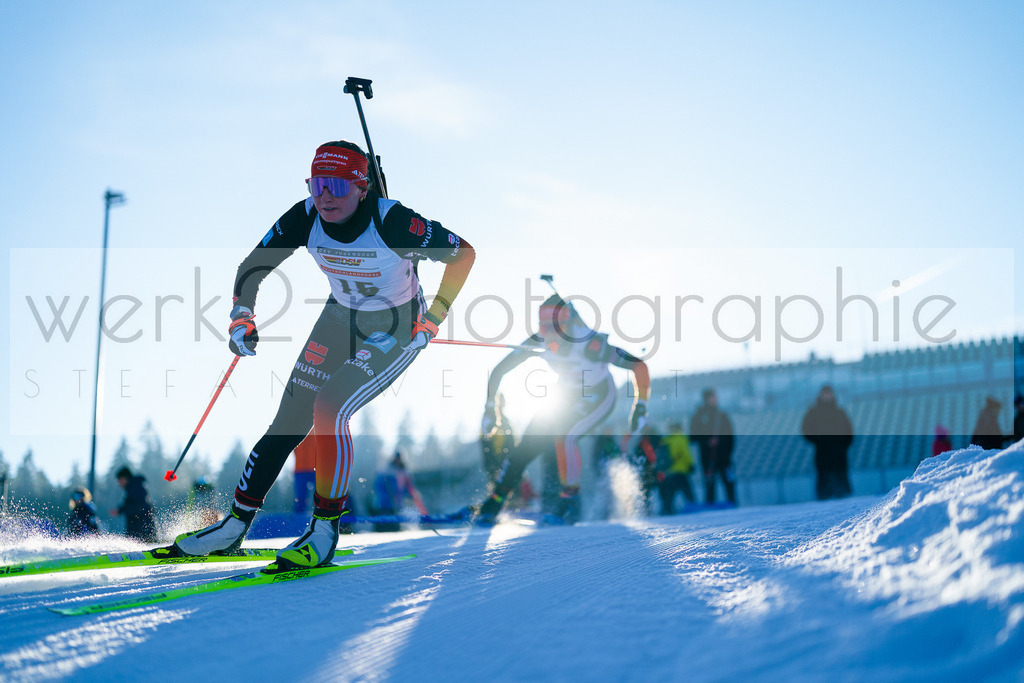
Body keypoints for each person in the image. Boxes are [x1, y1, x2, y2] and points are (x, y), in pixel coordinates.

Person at [172, 140, 475, 569]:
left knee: (330, 407)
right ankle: (235, 526)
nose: (324, 196)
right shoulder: (306, 215)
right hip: (339, 320)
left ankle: (325, 529)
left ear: (362, 186)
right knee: (289, 419)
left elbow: (463, 253)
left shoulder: (394, 221)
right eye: (316, 184)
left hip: (397, 325)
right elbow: (254, 265)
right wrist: (242, 316)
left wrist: (437, 314)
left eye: (335, 184)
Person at [467, 293, 651, 525]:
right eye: (544, 329)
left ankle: (569, 501)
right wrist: (490, 408)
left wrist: (640, 407)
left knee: (565, 435)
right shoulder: (538, 340)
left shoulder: (591, 345)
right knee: (527, 446)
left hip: (598, 395)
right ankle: (494, 502)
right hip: (565, 394)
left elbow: (639, 366)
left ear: (568, 326)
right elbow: (499, 370)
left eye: (555, 330)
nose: (550, 337)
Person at [800, 385, 854, 500]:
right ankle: (824, 497)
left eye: (829, 393)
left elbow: (849, 430)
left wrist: (843, 444)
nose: (827, 396)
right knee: (824, 477)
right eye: (825, 393)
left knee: (841, 477)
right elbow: (805, 429)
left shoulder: (840, 412)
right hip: (822, 451)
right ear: (820, 395)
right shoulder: (813, 412)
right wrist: (818, 441)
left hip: (839, 451)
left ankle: (844, 495)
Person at [690, 388, 737, 505]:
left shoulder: (722, 415)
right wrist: (707, 441)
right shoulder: (698, 416)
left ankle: (733, 504)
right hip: (708, 457)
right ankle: (710, 508)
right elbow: (692, 437)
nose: (715, 399)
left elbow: (730, 436)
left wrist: (728, 453)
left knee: (728, 482)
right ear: (706, 399)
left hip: (724, 457)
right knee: (709, 484)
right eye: (712, 397)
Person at [371, 450, 428, 532]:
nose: (398, 460)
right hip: (384, 505)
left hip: (397, 505)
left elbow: (407, 488)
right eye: (397, 458)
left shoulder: (404, 472)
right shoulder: (386, 472)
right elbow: (379, 487)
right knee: (383, 527)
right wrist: (388, 496)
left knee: (395, 528)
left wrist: (412, 495)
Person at [657, 421, 696, 514]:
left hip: (669, 471)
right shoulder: (681, 438)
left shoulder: (667, 440)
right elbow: (686, 453)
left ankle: (666, 510)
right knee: (688, 492)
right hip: (681, 470)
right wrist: (690, 464)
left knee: (670, 494)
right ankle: (694, 508)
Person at [111, 466, 158, 542]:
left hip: (142, 530)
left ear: (124, 478)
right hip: (140, 530)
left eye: (119, 480)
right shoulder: (133, 488)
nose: (119, 484)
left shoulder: (136, 488)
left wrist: (122, 510)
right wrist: (120, 510)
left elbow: (141, 507)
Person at [292, 433, 317, 514]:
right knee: (300, 498)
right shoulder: (296, 430)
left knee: (323, 496)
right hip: (300, 470)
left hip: (315, 469)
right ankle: (298, 521)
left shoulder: (317, 429)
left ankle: (325, 517)